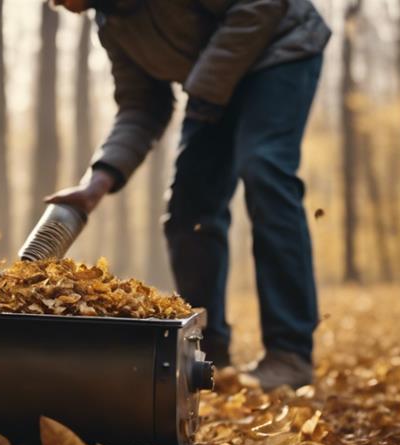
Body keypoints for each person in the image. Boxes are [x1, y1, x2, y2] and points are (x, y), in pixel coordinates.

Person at [46, 0, 330, 391]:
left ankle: (289, 353)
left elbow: (263, 5)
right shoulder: (113, 24)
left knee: (265, 170)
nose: (54, 4)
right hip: (215, 85)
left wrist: (204, 87)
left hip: (281, 49)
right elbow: (142, 106)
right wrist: (98, 181)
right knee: (188, 211)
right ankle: (207, 352)